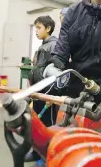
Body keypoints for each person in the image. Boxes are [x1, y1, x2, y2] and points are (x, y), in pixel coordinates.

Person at [26, 16, 58, 164]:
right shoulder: (42, 46)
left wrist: (53, 94)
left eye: (39, 28)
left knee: (47, 125)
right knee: (37, 123)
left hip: (47, 94)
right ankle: (37, 153)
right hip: (38, 92)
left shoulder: (54, 45)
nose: (36, 31)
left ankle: (46, 156)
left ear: (48, 28)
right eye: (36, 28)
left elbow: (57, 72)